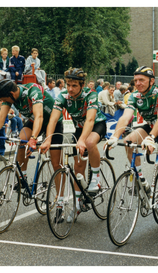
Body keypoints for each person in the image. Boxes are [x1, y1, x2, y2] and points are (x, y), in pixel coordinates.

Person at [106, 66, 158, 236]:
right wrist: (114, 136)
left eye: (141, 80)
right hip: (150, 127)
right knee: (128, 141)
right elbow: (126, 117)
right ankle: (142, 180)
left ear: (151, 81)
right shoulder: (135, 95)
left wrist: (151, 137)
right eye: (136, 80)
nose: (138, 83)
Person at [40, 68, 107, 222]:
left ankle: (96, 178)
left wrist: (82, 140)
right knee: (78, 168)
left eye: (74, 85)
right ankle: (77, 204)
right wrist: (48, 138)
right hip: (79, 128)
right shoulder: (63, 96)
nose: (70, 88)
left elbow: (90, 120)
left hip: (97, 124)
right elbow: (53, 119)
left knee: (89, 142)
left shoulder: (91, 95)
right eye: (68, 85)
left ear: (82, 85)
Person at [0, 80, 64, 189]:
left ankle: (60, 200)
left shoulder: (33, 91)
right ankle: (22, 178)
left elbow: (39, 116)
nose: (4, 102)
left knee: (56, 163)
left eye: (4, 100)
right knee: (21, 140)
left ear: (12, 94)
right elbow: (1, 116)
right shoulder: (10, 95)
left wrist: (33, 138)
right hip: (34, 121)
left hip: (52, 122)